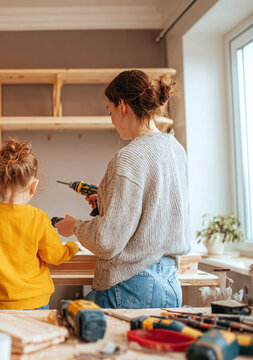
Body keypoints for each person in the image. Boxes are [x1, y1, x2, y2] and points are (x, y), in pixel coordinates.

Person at [55, 70, 190, 309]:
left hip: (131, 285)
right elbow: (155, 210)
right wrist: (108, 200)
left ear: (123, 106)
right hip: (170, 284)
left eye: (110, 110)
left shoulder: (128, 158)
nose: (111, 118)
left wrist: (74, 226)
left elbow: (107, 242)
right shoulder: (176, 150)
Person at [0, 138, 78, 310]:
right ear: (34, 186)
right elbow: (55, 255)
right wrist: (72, 247)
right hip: (35, 303)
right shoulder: (39, 218)